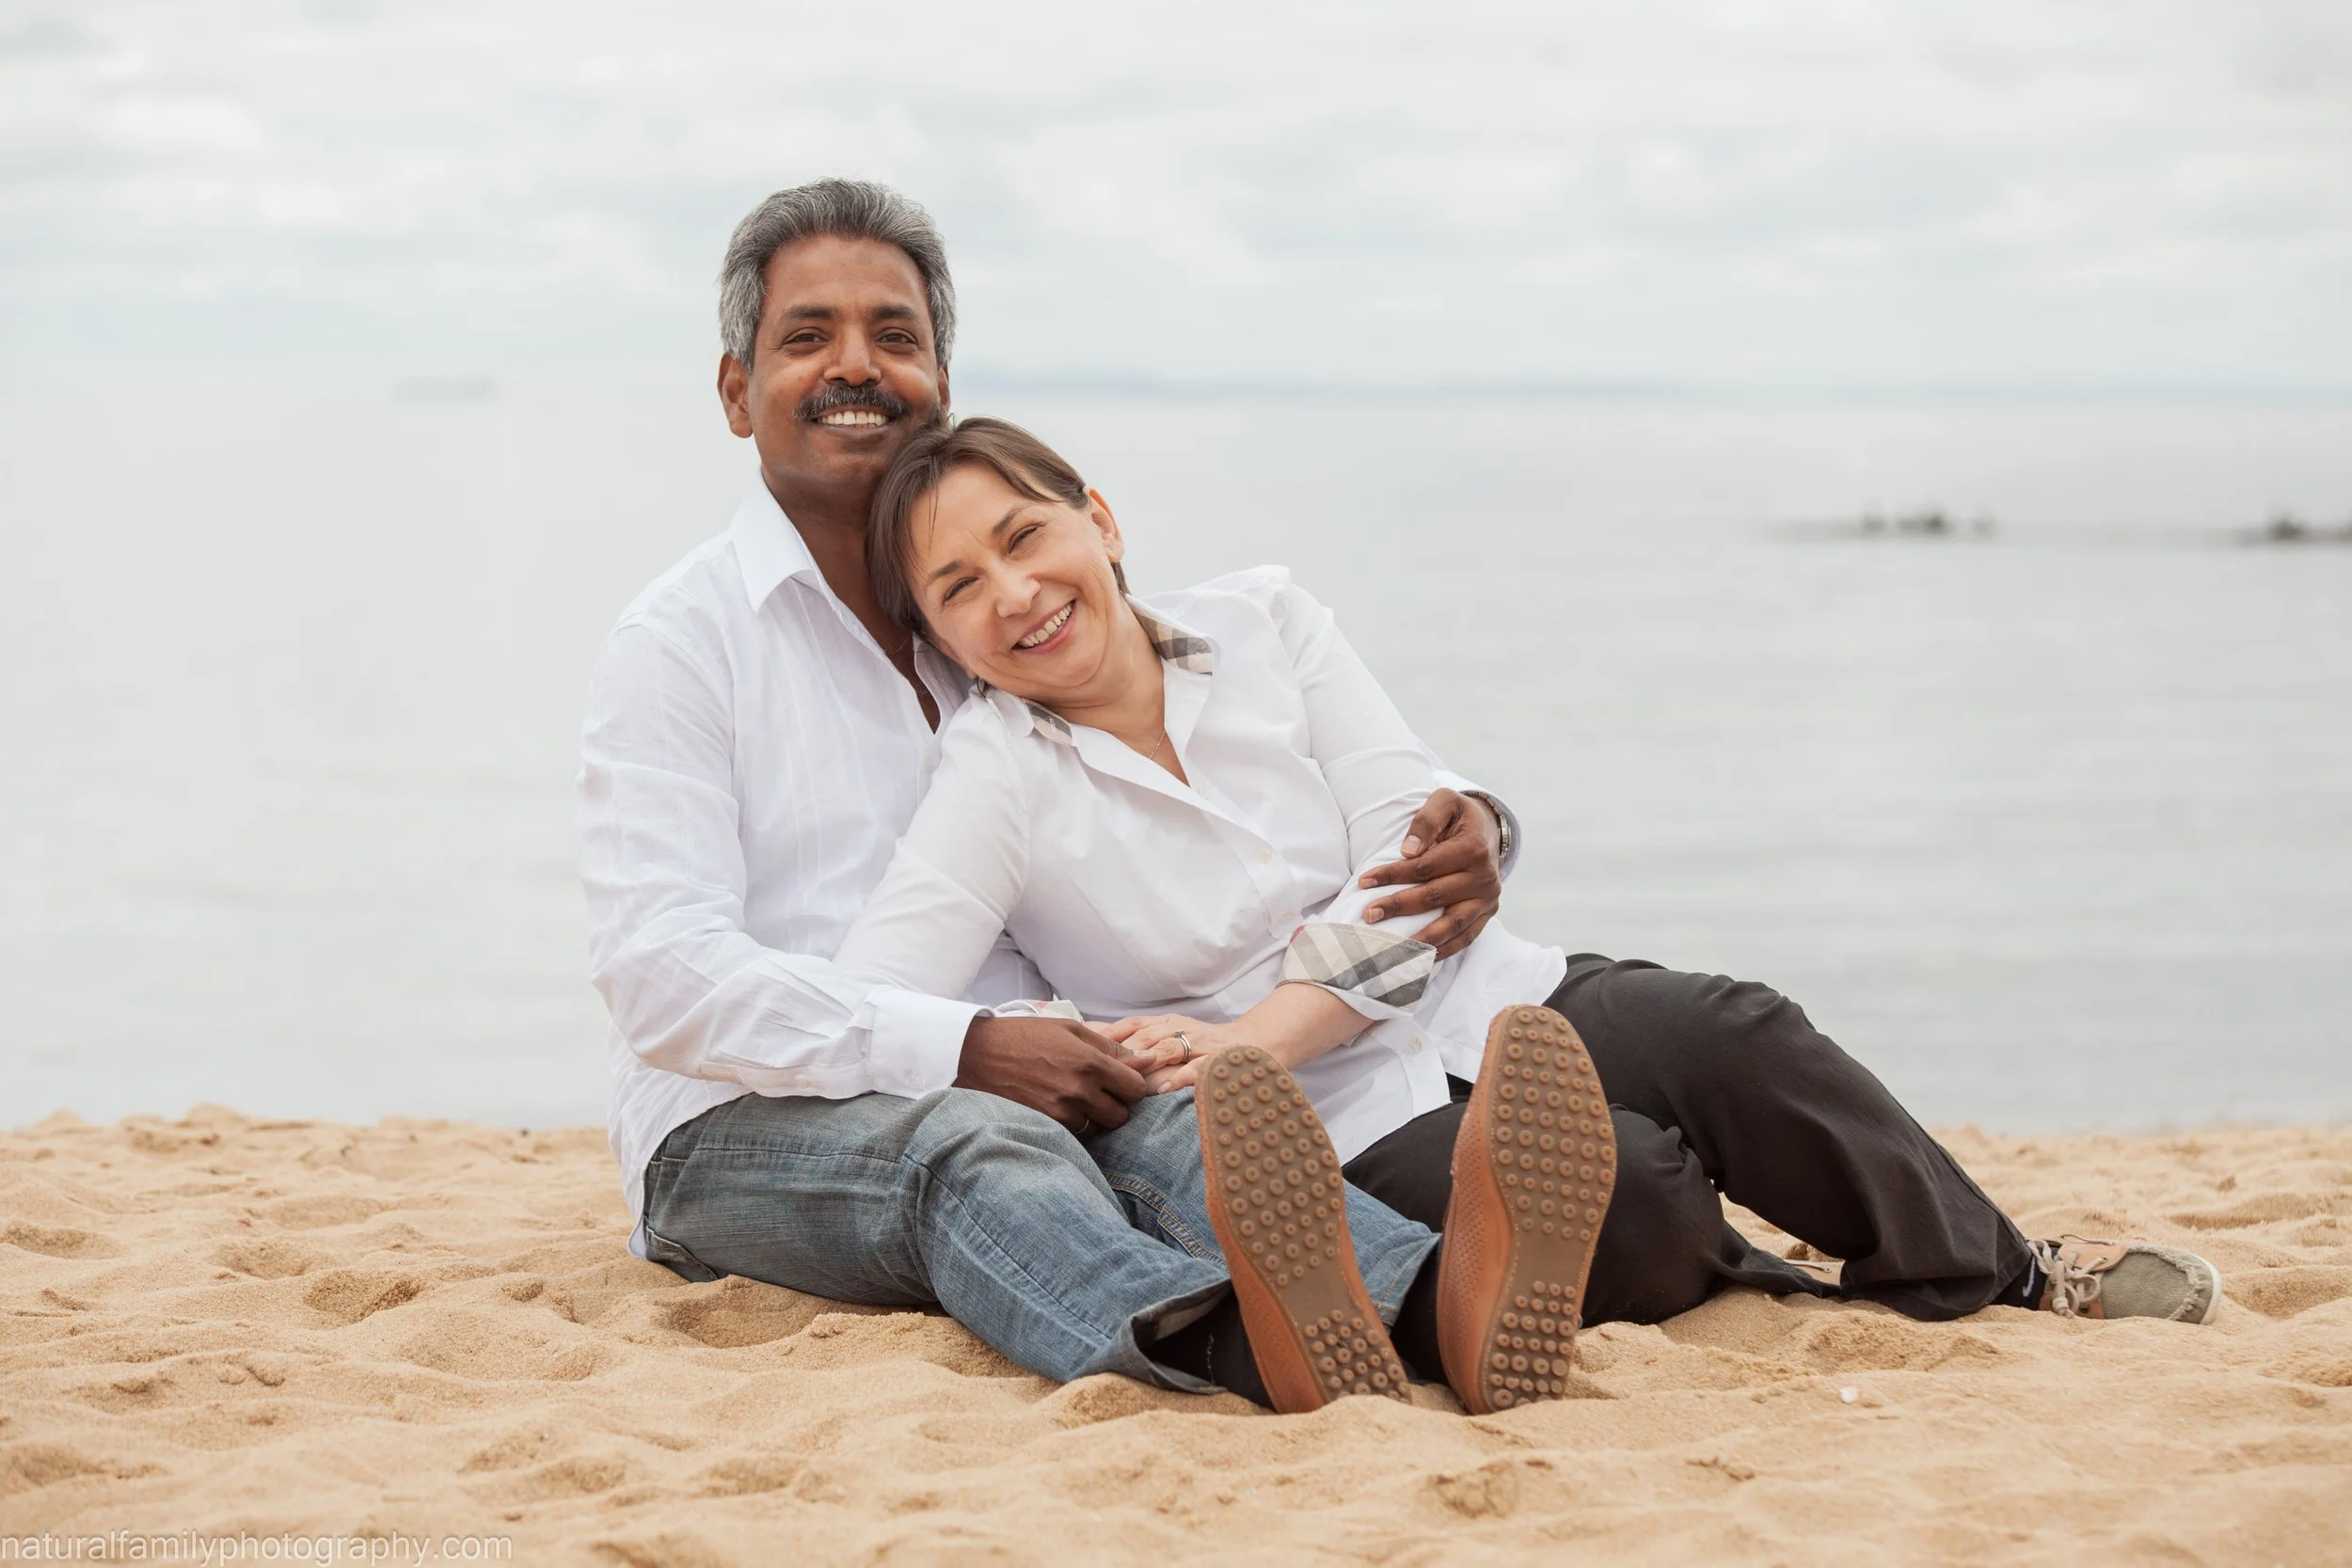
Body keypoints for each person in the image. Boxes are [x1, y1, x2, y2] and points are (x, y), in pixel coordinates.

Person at [830, 411, 2227, 1391]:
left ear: (1101, 519)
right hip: (1343, 1130)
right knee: (1640, 1189)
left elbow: (1412, 849)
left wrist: (1261, 1026)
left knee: (1741, 1031)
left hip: (1488, 995)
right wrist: (1058, 1037)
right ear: (940, 638)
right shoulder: (991, 779)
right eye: (959, 586)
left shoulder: (1268, 622)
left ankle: (2002, 1271)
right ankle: (1774, 1282)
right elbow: (879, 1000)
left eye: (1025, 536)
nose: (1014, 592)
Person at [579, 178, 1526, 1414]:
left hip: (1028, 1065)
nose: (857, 365)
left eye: (897, 336)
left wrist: (1473, 813)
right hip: (743, 1122)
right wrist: (963, 1045)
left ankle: (1436, 1311)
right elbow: (658, 970)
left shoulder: (989, 621)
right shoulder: (682, 641)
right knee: (974, 1150)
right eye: (808, 335)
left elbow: (1194, 749)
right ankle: (1237, 1351)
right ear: (733, 392)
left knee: (1196, 1133)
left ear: (940, 383)